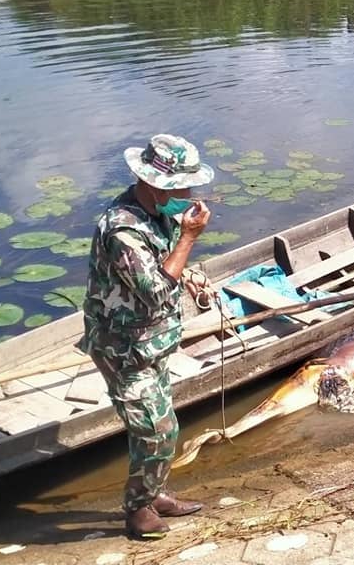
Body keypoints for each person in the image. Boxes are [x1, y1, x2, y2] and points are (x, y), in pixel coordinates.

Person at [81, 134, 213, 539]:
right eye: (180, 187)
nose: (187, 194)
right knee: (156, 430)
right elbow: (154, 288)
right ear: (154, 184)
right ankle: (138, 511)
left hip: (151, 341)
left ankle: (154, 494)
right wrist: (190, 237)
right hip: (123, 347)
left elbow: (166, 265)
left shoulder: (159, 213)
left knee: (161, 422)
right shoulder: (122, 229)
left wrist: (189, 273)